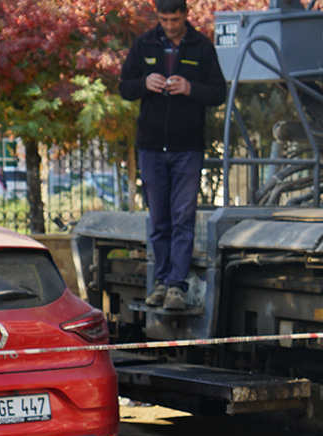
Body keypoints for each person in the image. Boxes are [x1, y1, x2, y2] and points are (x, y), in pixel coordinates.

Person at [118, 0, 227, 313]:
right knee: (159, 219)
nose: (170, 25)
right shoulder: (144, 44)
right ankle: (162, 282)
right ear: (158, 17)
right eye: (164, 19)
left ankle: (177, 284)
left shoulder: (201, 47)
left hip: (187, 147)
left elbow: (218, 92)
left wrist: (191, 88)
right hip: (151, 146)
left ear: (185, 16)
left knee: (183, 217)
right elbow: (125, 86)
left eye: (175, 19)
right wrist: (145, 83)